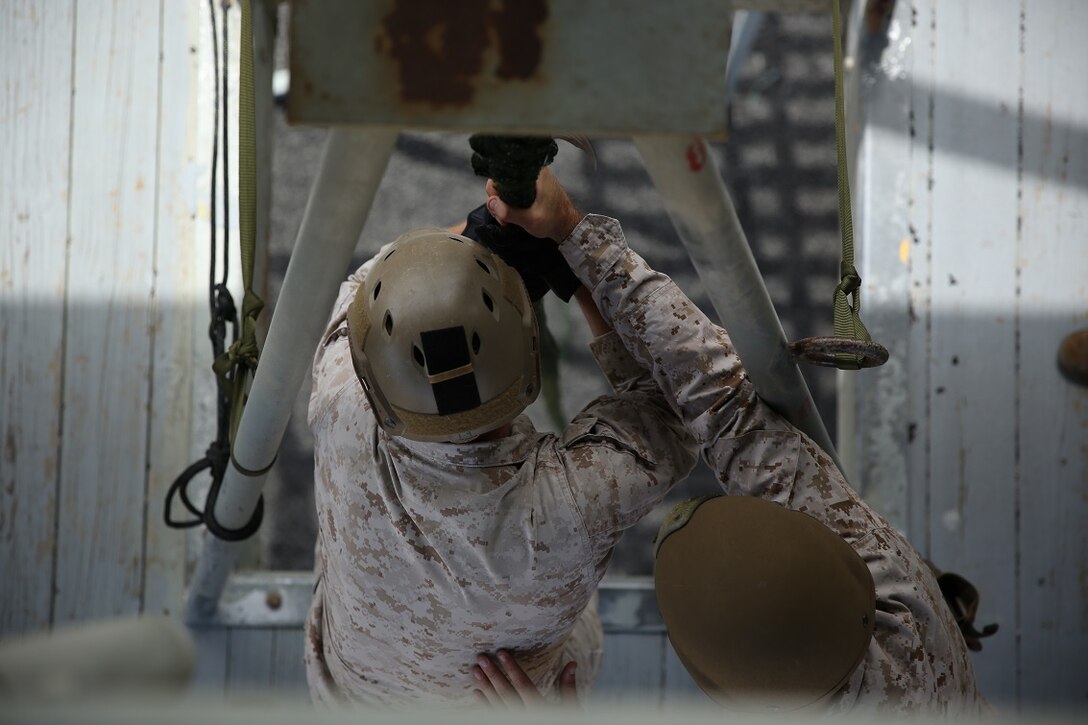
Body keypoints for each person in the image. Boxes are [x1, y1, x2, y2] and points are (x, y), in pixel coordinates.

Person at [481, 169, 988, 715]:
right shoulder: (898, 611)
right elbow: (721, 404)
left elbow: (717, 394)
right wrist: (577, 250)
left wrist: (574, 238)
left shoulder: (897, 611)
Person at [303, 191, 699, 707]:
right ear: (529, 357)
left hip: (351, 696)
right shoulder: (574, 505)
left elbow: (369, 291)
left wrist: (480, 236)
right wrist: (579, 258)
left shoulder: (340, 403)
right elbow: (673, 401)